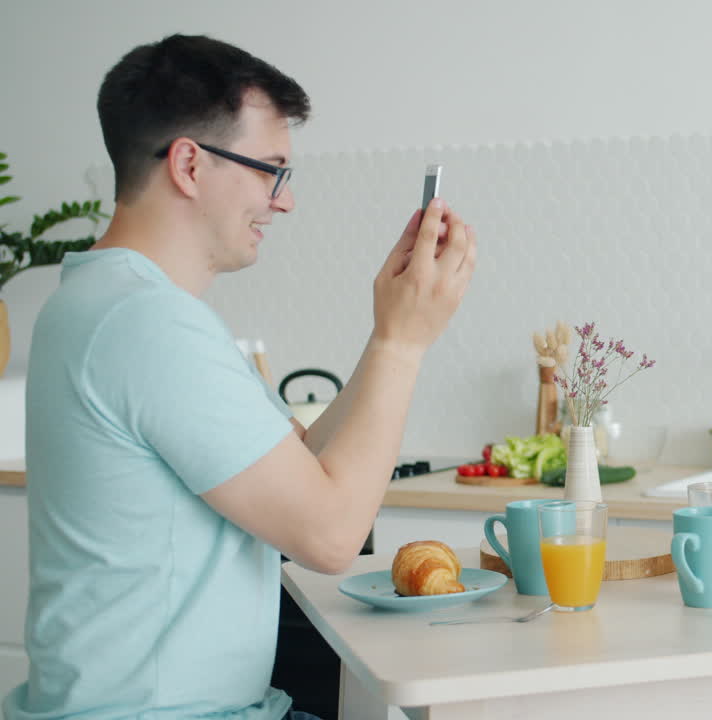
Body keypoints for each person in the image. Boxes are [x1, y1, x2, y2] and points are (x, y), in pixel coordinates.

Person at [3, 34, 476, 719]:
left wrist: (388, 330)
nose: (284, 201)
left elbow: (300, 465)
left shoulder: (107, 301)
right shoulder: (147, 323)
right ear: (189, 165)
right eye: (269, 171)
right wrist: (404, 344)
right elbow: (329, 538)